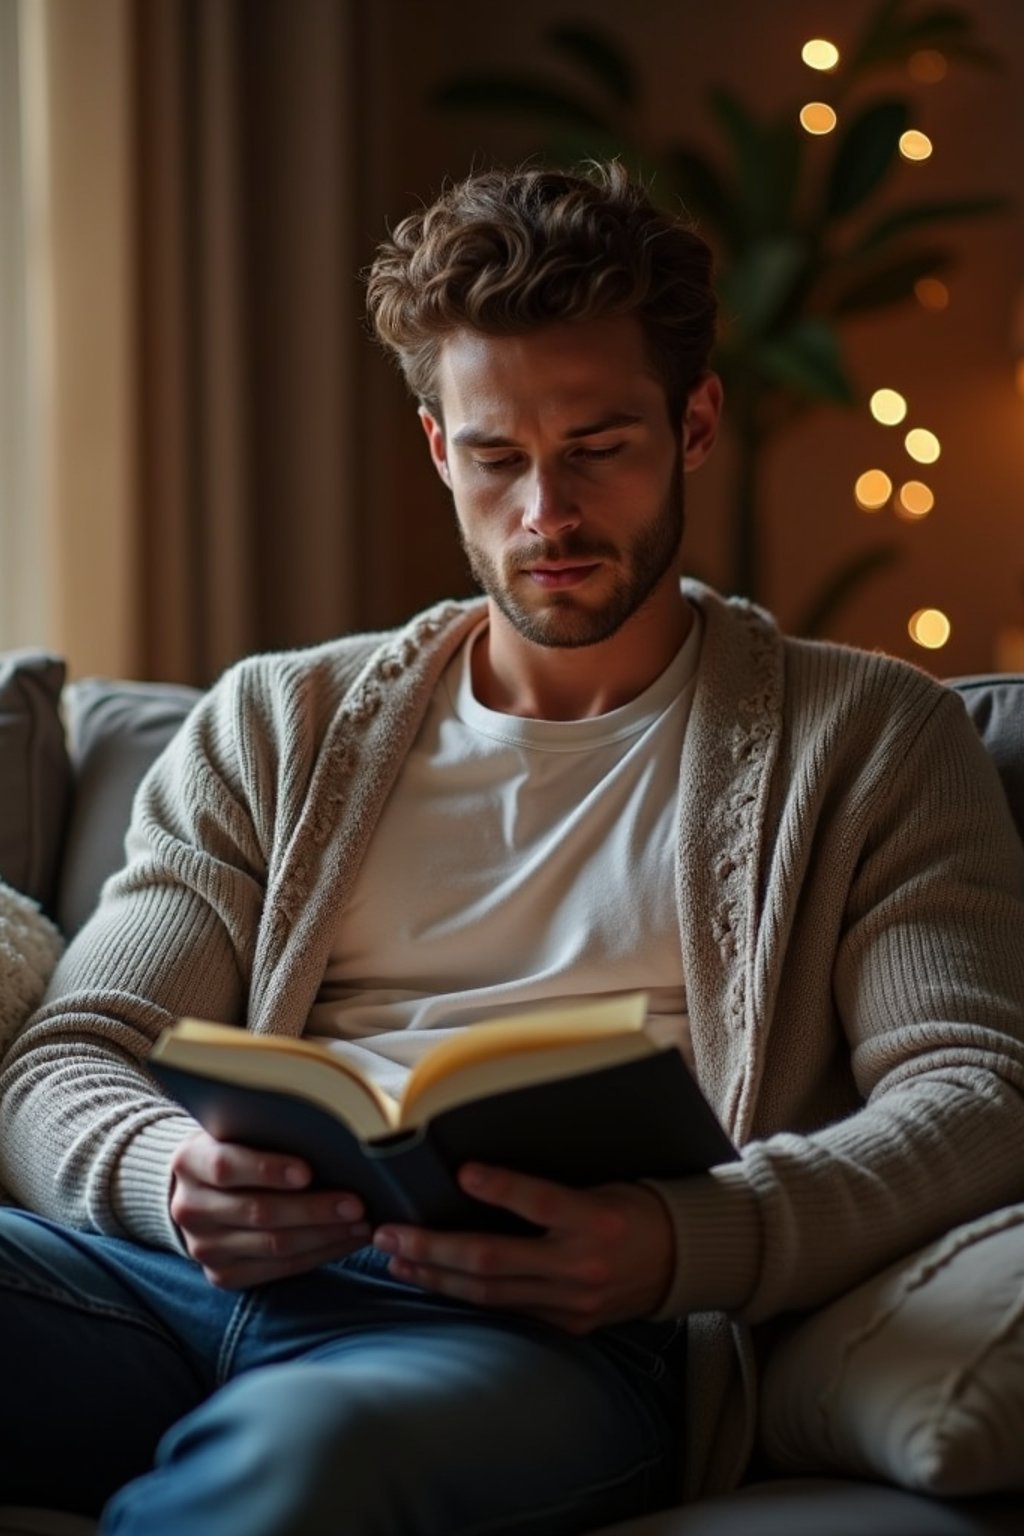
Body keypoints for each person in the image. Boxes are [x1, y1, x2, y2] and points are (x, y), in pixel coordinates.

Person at [2, 161, 1024, 1536]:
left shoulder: (871, 740)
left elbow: (974, 1091)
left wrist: (685, 1244)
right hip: (176, 1286)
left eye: (598, 448)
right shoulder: (275, 724)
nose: (546, 515)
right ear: (438, 446)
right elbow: (71, 1053)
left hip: (535, 1344)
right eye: (496, 458)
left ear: (696, 423)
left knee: (306, 1459)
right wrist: (159, 1179)